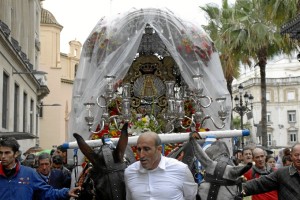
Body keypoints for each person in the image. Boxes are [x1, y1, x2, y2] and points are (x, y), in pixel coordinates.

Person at [124, 131, 198, 200]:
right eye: (139, 149)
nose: (141, 155)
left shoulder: (181, 169)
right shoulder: (130, 172)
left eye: (146, 149)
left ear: (159, 149)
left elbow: (191, 197)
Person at [0, 137, 80, 200]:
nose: (3, 156)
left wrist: (66, 192)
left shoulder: (29, 173)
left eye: (7, 153)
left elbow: (47, 192)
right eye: (1, 153)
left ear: (16, 154)